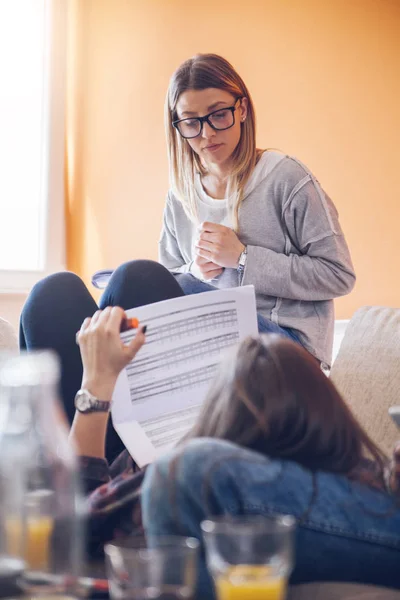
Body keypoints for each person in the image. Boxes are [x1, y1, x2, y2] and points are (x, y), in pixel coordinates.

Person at [54, 308, 400, 597]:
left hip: (132, 475)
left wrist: (96, 385)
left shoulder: (198, 473)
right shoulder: (358, 477)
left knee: (62, 298)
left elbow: (73, 525)